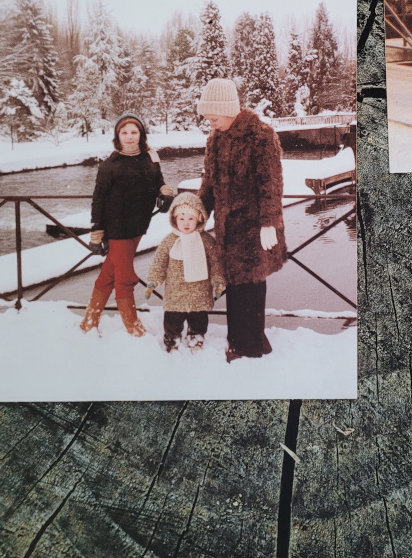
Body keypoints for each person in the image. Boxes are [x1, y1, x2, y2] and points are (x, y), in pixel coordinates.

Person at [196, 78, 287, 361]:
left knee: (251, 285)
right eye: (207, 117)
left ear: (229, 109)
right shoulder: (215, 139)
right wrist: (199, 213)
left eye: (214, 116)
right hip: (227, 228)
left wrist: (269, 223)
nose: (210, 122)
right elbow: (209, 182)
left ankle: (250, 348)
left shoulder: (261, 135)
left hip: (254, 227)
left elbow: (271, 182)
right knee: (235, 284)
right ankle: (240, 340)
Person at [80, 112, 175, 336]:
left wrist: (165, 191)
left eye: (134, 132)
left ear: (141, 134)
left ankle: (89, 321)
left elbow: (159, 181)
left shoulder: (150, 157)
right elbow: (98, 200)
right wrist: (96, 231)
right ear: (117, 136)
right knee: (124, 278)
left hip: (139, 226)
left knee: (108, 275)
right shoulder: (109, 165)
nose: (129, 137)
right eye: (124, 132)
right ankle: (133, 328)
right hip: (117, 229)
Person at [145, 192, 225, 353]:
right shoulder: (169, 240)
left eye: (191, 218)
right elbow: (160, 262)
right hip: (176, 290)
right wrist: (153, 280)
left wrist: (218, 281)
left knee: (199, 316)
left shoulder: (207, 240)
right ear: (174, 219)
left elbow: (216, 263)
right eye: (181, 219)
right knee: (173, 317)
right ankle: (172, 337)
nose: (186, 223)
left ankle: (196, 335)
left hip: (199, 290)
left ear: (199, 219)